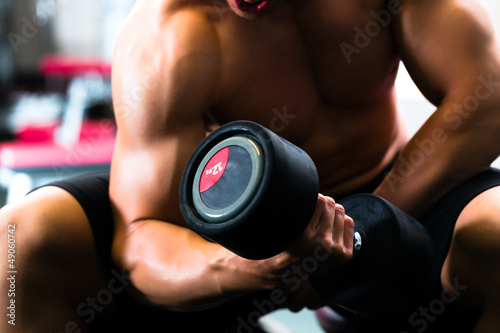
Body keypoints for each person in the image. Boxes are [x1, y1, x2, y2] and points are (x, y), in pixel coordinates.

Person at [1, 0, 500, 332]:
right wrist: (255, 268)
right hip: (240, 236)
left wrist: (366, 223)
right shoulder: (169, 34)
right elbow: (138, 238)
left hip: (395, 199)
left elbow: (488, 94)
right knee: (18, 245)